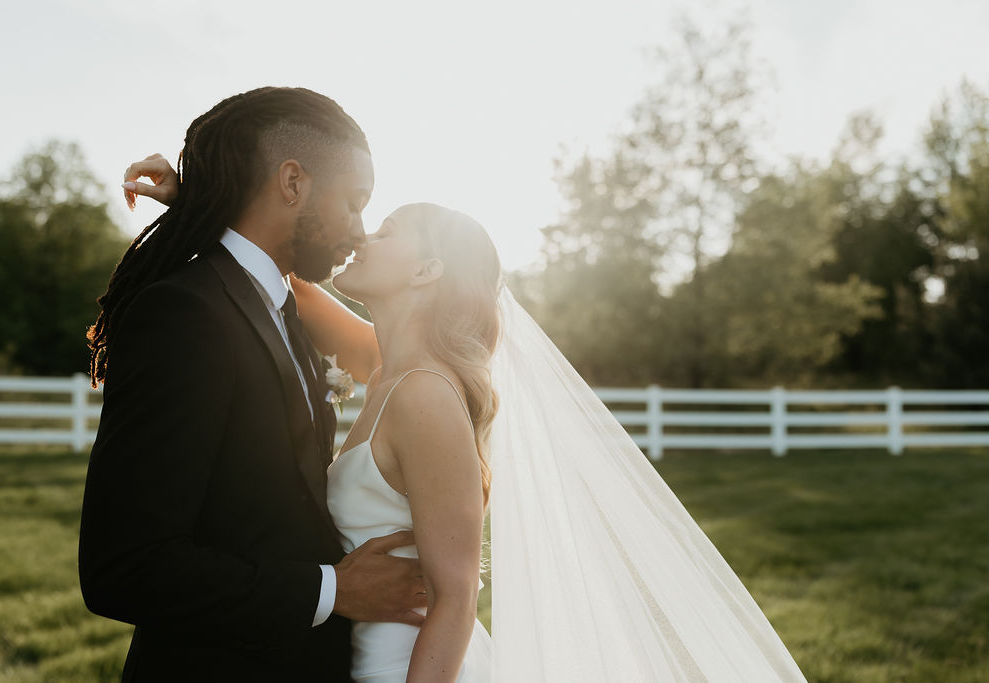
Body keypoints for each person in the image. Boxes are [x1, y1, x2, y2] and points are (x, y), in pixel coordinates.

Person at [122, 178, 808, 679]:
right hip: (349, 652)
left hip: (402, 668)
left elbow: (456, 593)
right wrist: (199, 200)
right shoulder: (387, 366)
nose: (363, 234)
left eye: (387, 229)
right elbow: (281, 285)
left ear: (427, 269)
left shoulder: (423, 395)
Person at [78, 87, 428, 683]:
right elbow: (124, 566)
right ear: (292, 183)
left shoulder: (279, 303)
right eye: (353, 202)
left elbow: (389, 355)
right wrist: (331, 590)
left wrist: (206, 204)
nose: (359, 231)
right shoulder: (186, 315)